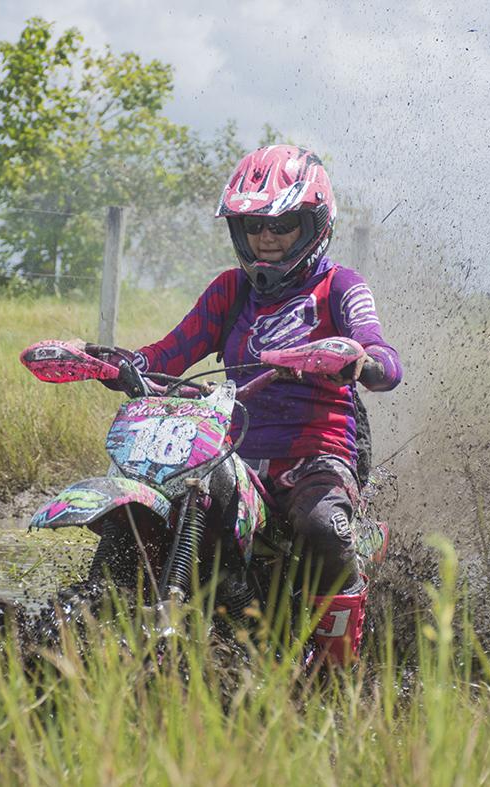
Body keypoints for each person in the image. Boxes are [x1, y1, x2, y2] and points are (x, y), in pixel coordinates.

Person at [107, 145, 402, 664]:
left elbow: (382, 354)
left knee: (321, 529)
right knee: (162, 506)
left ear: (315, 224)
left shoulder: (340, 286)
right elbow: (168, 353)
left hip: (315, 458)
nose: (266, 238)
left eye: (283, 224)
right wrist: (115, 362)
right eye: (252, 225)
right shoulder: (229, 290)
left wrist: (359, 360)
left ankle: (337, 675)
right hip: (234, 454)